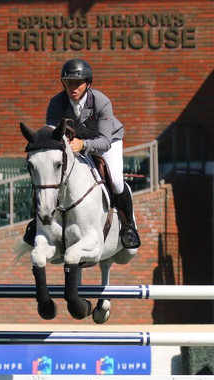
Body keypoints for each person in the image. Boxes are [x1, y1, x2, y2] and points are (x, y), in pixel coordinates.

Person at [23, 58, 141, 249]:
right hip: (74, 143)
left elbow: (103, 141)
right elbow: (54, 134)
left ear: (88, 84)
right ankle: (35, 224)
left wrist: (83, 145)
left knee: (117, 181)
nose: (73, 88)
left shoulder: (101, 102)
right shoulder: (56, 102)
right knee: (47, 179)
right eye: (69, 83)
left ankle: (129, 227)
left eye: (78, 83)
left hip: (108, 141)